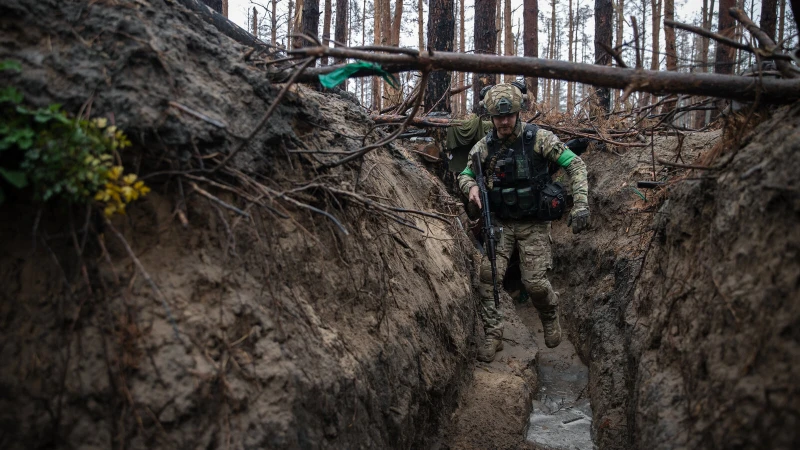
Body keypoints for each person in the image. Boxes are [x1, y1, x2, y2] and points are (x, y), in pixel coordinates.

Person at [457, 82, 591, 362]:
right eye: (498, 117)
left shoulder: (539, 139)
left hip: (534, 223)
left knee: (536, 284)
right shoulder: (484, 148)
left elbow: (575, 164)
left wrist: (580, 204)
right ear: (490, 117)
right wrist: (469, 186)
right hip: (501, 223)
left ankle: (549, 314)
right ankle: (494, 334)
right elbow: (465, 174)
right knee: (487, 276)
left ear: (519, 113)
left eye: (509, 115)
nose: (504, 122)